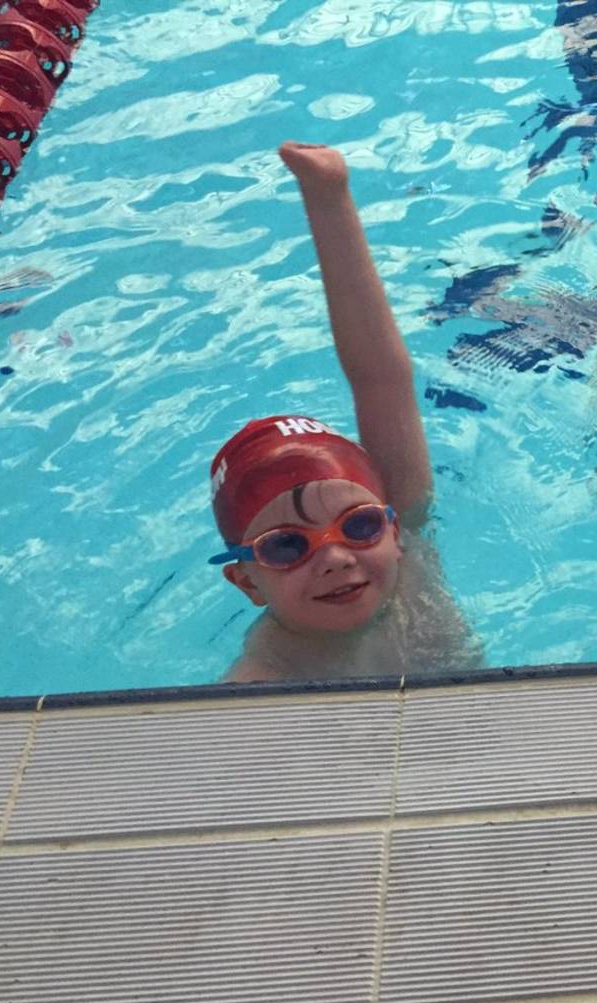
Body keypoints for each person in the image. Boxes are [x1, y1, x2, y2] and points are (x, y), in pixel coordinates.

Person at [209, 143, 481, 682]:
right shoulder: (265, 677)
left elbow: (383, 380)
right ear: (247, 582)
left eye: (358, 525)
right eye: (286, 546)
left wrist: (330, 197)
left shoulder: (409, 547)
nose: (334, 557)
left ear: (394, 531)